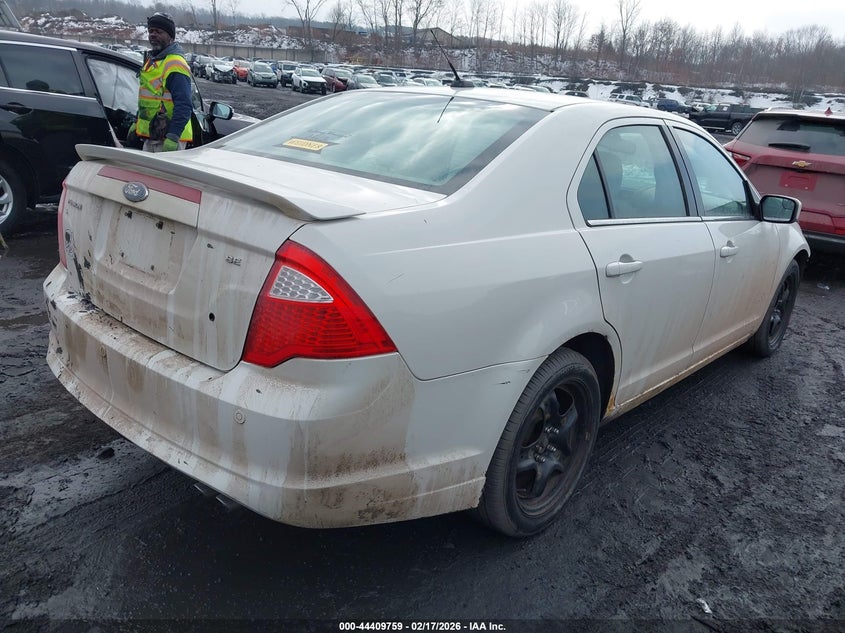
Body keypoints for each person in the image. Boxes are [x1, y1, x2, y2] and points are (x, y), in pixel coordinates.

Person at [127, 13, 193, 152]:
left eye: (159, 31)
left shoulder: (175, 64)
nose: (153, 34)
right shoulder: (153, 62)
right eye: (151, 31)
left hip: (169, 139)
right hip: (152, 135)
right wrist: (137, 122)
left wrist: (173, 136)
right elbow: (150, 99)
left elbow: (184, 104)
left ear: (170, 36)